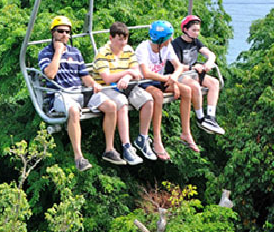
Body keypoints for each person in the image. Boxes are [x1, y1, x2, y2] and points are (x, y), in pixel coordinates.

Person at [38, 15, 120, 171]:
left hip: (80, 92)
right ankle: (79, 157)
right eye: (60, 31)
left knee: (111, 105)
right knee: (74, 111)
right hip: (61, 95)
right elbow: (49, 74)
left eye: (67, 32)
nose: (64, 35)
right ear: (53, 33)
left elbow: (85, 76)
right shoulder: (45, 53)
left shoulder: (75, 52)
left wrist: (93, 84)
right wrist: (58, 53)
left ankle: (109, 149)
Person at [92, 22, 154, 164]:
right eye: (119, 39)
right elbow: (106, 78)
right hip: (107, 89)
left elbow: (136, 72)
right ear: (111, 38)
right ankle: (126, 146)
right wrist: (126, 73)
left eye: (125, 39)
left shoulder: (128, 50)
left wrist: (127, 77)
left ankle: (143, 138)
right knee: (122, 102)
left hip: (127, 85)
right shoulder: (103, 53)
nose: (122, 43)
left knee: (148, 100)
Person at [135, 20, 196, 158]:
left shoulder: (166, 48)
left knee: (186, 91)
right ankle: (157, 139)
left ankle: (186, 132)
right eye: (169, 37)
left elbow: (178, 66)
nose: (171, 40)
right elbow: (146, 73)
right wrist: (169, 80)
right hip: (145, 82)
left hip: (162, 79)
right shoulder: (143, 48)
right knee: (158, 95)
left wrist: (174, 78)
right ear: (162, 39)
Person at [168, 15, 225, 135]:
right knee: (194, 86)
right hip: (181, 74)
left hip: (193, 72)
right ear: (185, 30)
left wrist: (208, 63)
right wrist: (192, 67)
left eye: (198, 30)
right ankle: (200, 118)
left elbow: (210, 53)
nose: (196, 33)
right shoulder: (176, 44)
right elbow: (176, 65)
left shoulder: (196, 42)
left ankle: (211, 117)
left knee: (214, 82)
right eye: (194, 30)